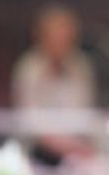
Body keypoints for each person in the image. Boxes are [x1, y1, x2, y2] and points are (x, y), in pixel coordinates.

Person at [11, 3, 96, 164]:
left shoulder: (81, 66)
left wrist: (79, 148)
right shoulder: (28, 69)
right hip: (36, 154)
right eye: (55, 36)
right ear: (42, 37)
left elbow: (83, 115)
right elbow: (32, 125)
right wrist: (70, 147)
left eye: (65, 37)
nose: (60, 43)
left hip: (76, 152)